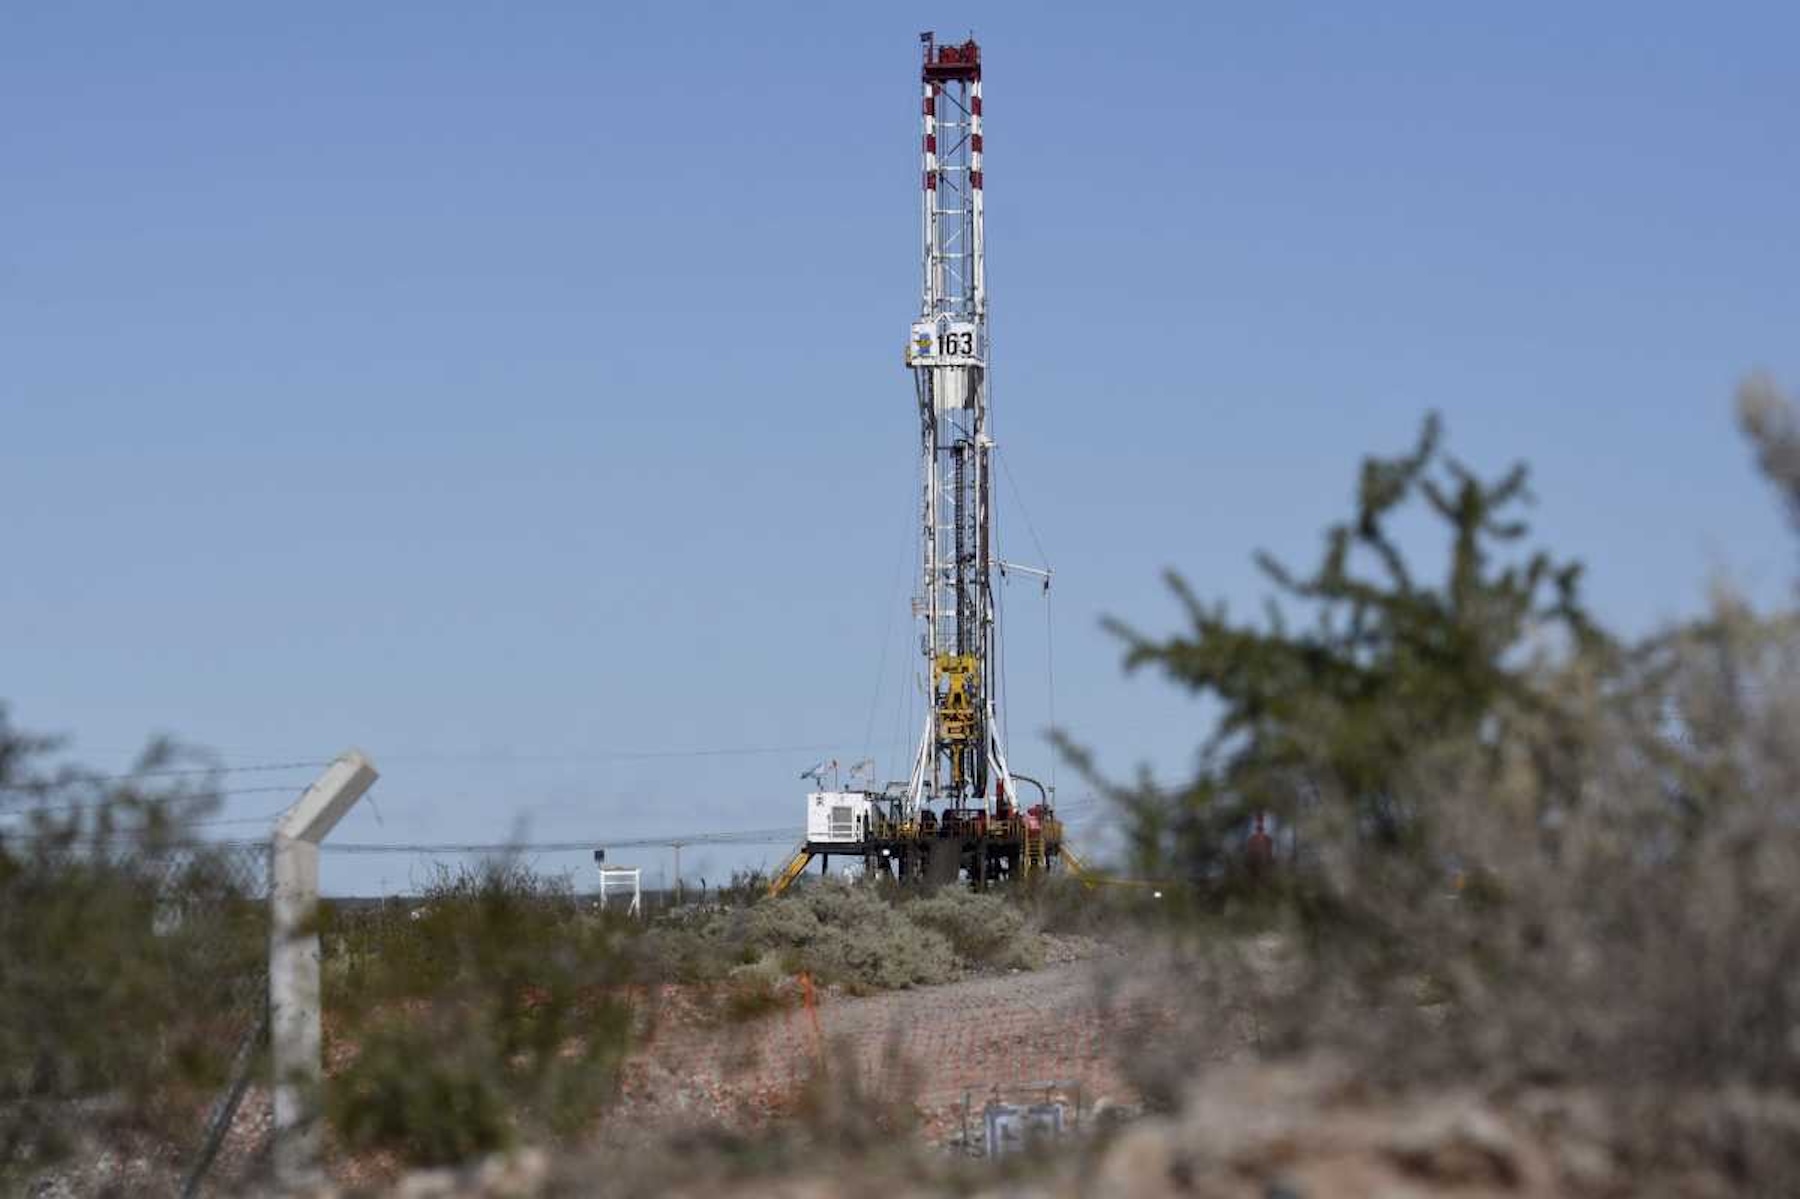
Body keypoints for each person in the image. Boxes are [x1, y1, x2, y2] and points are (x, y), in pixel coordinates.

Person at [1245, 813, 1275, 883]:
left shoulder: (1268, 840)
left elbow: (1270, 853)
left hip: (1264, 866)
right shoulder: (1251, 839)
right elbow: (1250, 853)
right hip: (1255, 865)